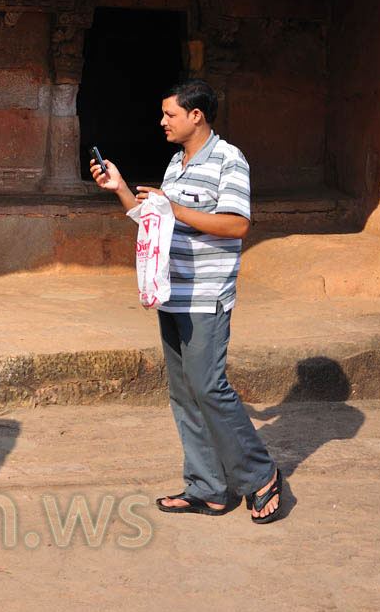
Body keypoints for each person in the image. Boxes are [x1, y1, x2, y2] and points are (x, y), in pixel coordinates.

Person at [91, 80, 283, 524]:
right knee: (184, 394)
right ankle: (207, 489)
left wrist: (173, 208)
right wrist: (121, 188)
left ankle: (261, 475)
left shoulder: (229, 159)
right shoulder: (177, 163)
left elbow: (236, 225)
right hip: (171, 293)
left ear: (196, 116)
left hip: (206, 296)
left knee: (209, 387)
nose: (162, 122)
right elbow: (156, 220)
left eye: (170, 114)